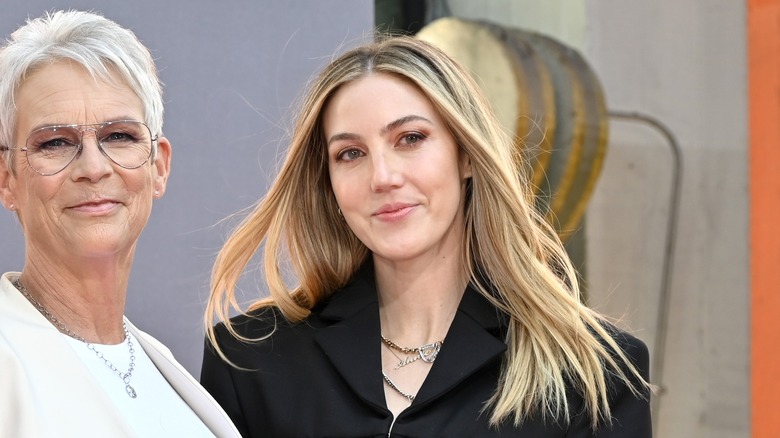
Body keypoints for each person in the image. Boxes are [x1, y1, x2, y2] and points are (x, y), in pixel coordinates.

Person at [201, 35, 652, 437]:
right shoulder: (249, 360)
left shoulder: (596, 373)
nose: (382, 176)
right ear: (329, 183)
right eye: (351, 153)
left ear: (467, 156)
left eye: (410, 138)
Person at [0, 10, 240, 437]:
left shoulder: (165, 371)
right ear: (7, 180)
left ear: (158, 167)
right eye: (54, 142)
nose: (93, 168)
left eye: (119, 136)